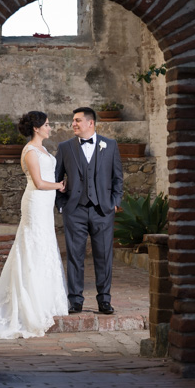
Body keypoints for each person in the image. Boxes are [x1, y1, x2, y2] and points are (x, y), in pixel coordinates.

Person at [0, 111, 69, 339]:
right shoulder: (30, 151)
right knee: (33, 245)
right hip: (35, 202)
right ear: (36, 128)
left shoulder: (43, 150)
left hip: (45, 205)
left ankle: (46, 297)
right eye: (47, 125)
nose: (50, 128)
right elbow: (40, 183)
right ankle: (30, 300)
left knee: (45, 246)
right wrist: (60, 186)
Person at [54, 106, 124, 315]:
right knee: (75, 256)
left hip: (103, 210)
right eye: (73, 121)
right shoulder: (65, 147)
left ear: (90, 123)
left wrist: (114, 202)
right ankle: (75, 300)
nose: (73, 124)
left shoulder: (110, 145)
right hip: (74, 210)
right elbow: (56, 178)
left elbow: (118, 177)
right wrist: (61, 204)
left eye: (77, 120)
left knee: (104, 256)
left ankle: (104, 300)